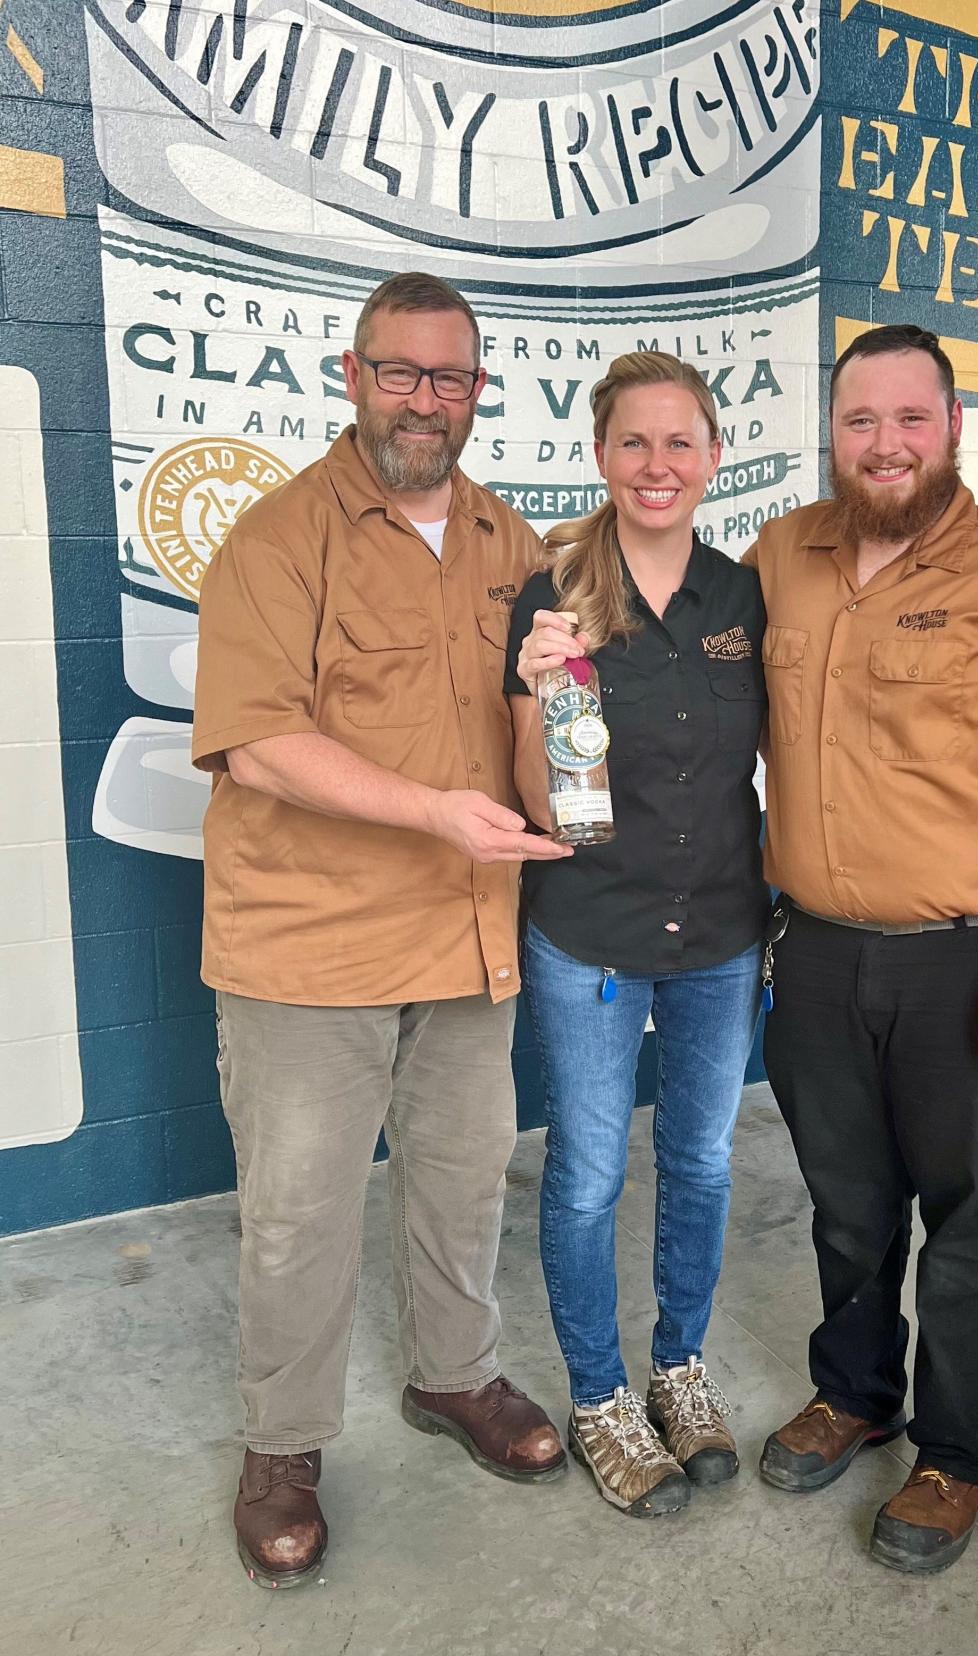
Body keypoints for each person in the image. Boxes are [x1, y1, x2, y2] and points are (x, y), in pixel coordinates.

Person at [191, 272, 572, 1589]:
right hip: (310, 945)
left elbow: (540, 719)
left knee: (465, 1181)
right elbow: (256, 745)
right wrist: (434, 812)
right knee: (299, 1212)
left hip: (468, 938)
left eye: (448, 377)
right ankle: (283, 1445)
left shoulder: (511, 542)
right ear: (349, 378)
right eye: (399, 372)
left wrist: (564, 766)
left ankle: (452, 1378)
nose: (424, 399)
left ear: (478, 393)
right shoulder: (278, 539)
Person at [747, 324, 978, 1573]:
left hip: (977, 964)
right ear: (832, 433)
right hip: (816, 955)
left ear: (953, 427)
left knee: (972, 1223)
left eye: (911, 418)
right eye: (861, 421)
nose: (886, 442)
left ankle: (960, 1458)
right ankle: (856, 1396)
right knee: (848, 1209)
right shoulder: (779, 557)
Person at [504, 352, 768, 1517]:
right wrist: (535, 684)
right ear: (599, 455)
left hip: (720, 926)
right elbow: (533, 795)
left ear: (714, 456)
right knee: (591, 1176)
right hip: (591, 932)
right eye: (633, 442)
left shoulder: (742, 598)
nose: (657, 465)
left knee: (703, 1162)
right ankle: (603, 1395)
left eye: (680, 443)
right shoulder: (553, 591)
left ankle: (679, 1369)